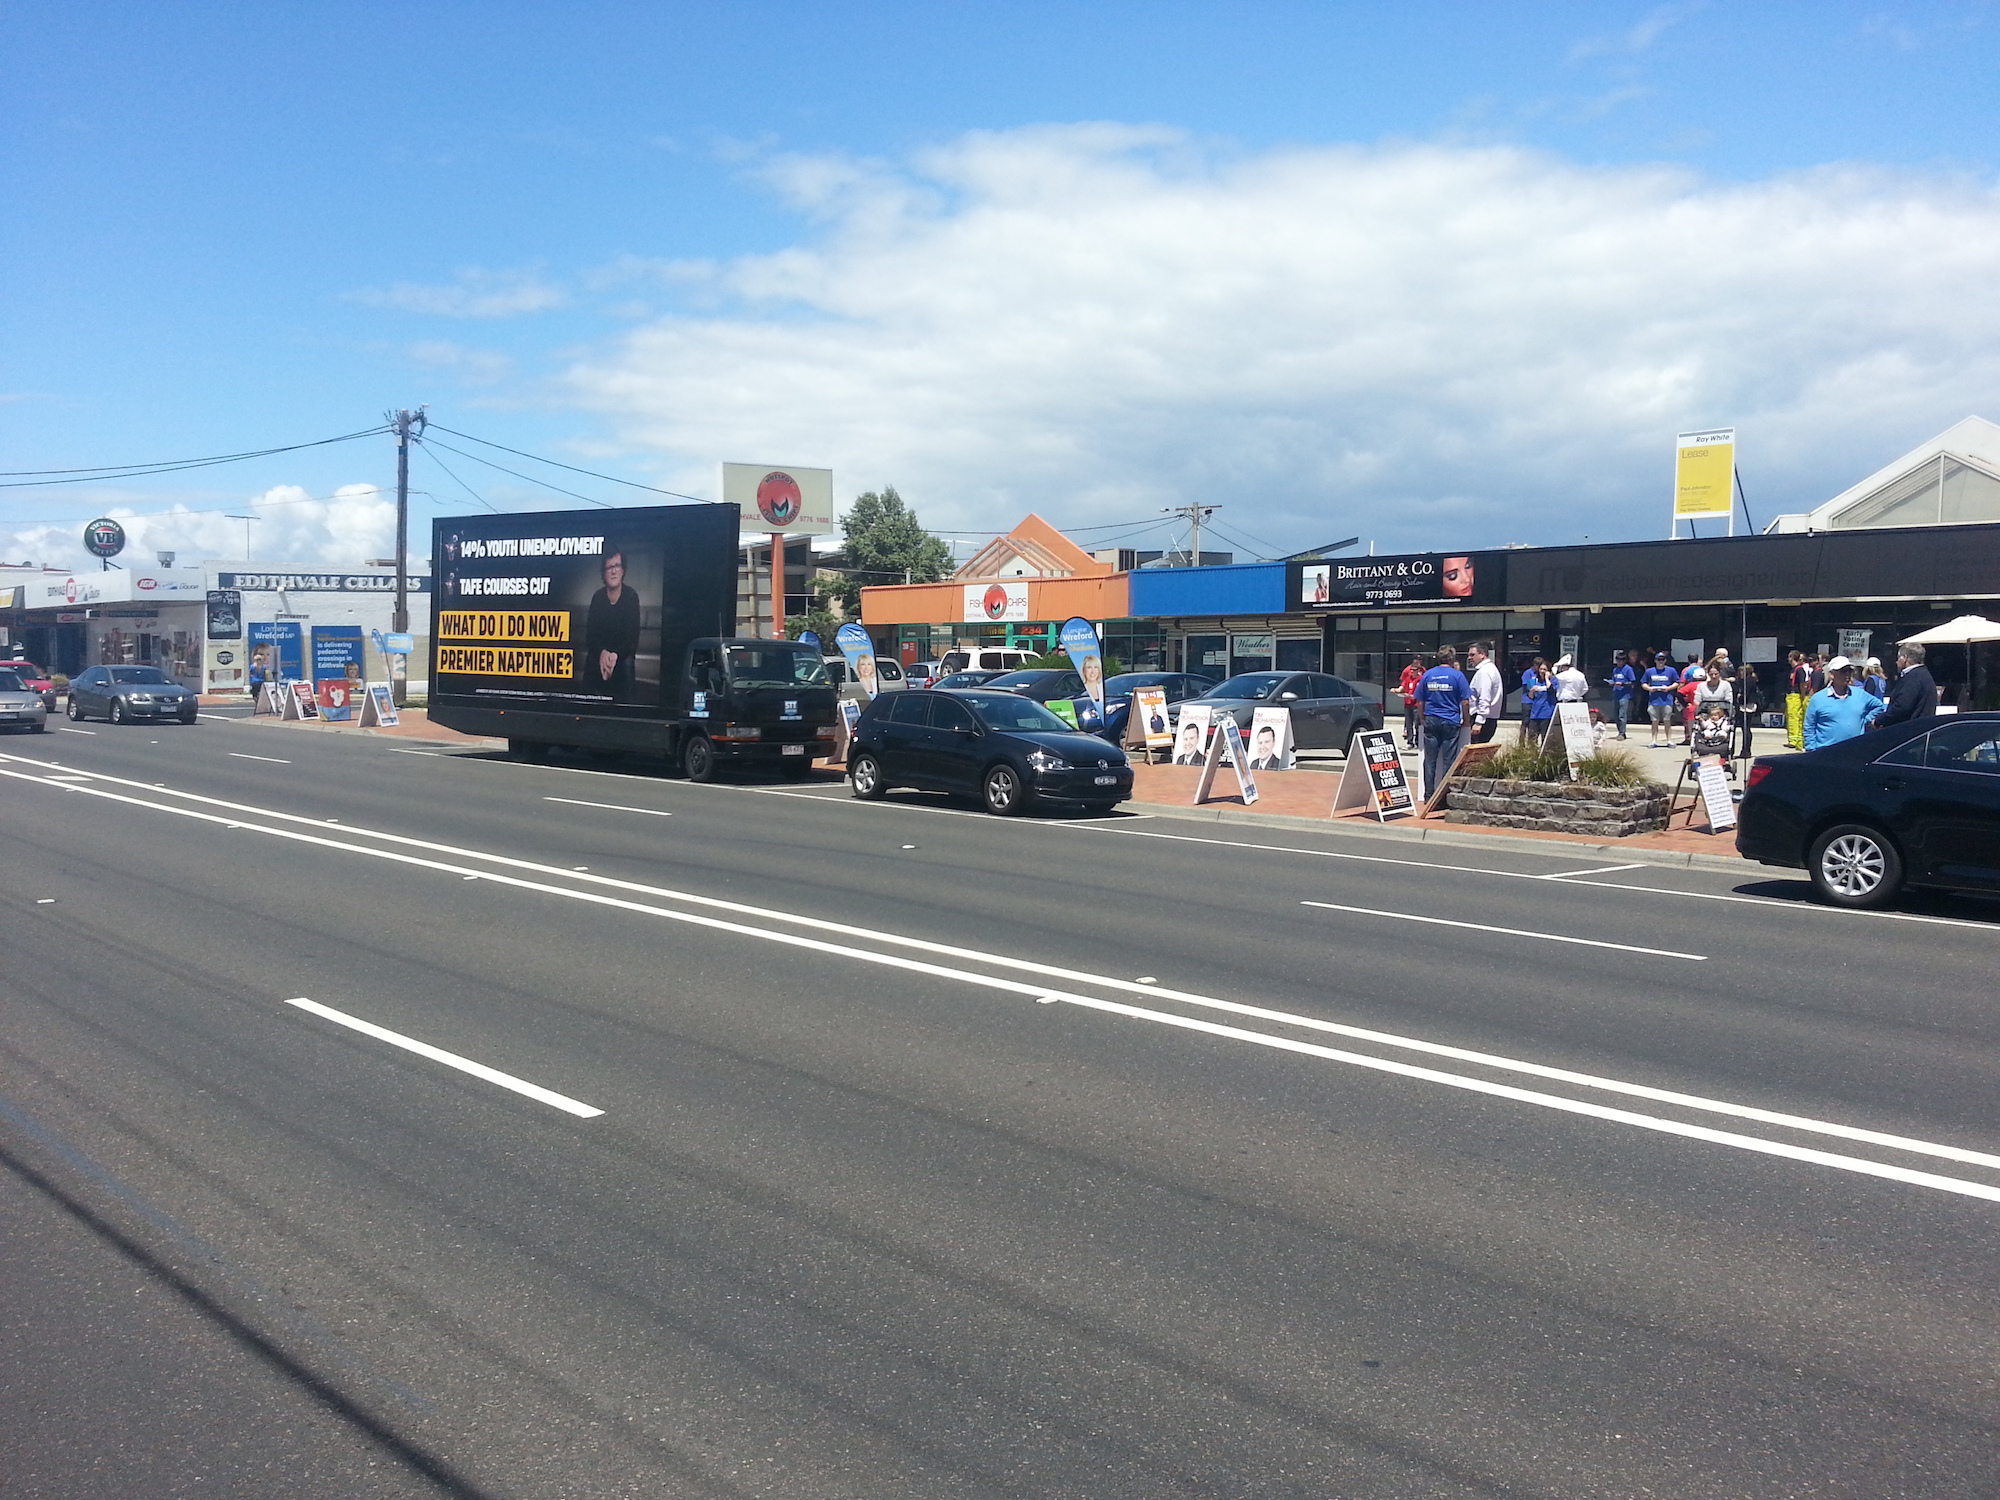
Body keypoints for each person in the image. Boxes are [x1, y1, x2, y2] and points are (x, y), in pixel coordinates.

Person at [581, 546, 641, 701]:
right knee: (591, 661)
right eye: (609, 567)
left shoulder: (631, 597)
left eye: (617, 566)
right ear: (604, 573)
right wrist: (602, 653)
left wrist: (615, 655)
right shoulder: (598, 598)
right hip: (600, 654)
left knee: (627, 664)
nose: (613, 571)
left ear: (623, 570)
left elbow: (632, 639)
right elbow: (591, 637)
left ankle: (627, 708)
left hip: (622, 655)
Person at [1414, 646, 1471, 799]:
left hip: (1431, 719)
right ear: (1452, 659)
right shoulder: (1457, 676)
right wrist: (1466, 721)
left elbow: (1419, 701)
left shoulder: (1428, 675)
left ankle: (1428, 794)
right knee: (1449, 760)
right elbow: (1465, 701)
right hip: (1450, 720)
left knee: (1430, 760)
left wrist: (1422, 719)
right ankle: (1444, 795)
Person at [1804, 656, 1886, 751]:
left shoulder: (1860, 694)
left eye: (1849, 671)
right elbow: (1809, 728)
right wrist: (1812, 751)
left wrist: (1865, 719)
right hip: (1826, 754)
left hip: (1855, 751)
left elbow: (1879, 706)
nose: (1847, 674)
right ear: (1832, 674)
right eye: (1843, 671)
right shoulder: (1817, 699)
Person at [1873, 642, 1938, 728]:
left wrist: (1879, 720)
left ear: (1905, 658)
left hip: (1908, 732)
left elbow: (1902, 707)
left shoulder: (1913, 677)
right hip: (1922, 730)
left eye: (1898, 658)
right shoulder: (1925, 675)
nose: (1896, 662)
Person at [1465, 641, 1504, 744]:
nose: (1469, 658)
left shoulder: (1484, 672)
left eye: (1472, 654)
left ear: (1482, 654)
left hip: (1482, 720)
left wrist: (1479, 722)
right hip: (1488, 719)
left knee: (1475, 755)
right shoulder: (1490, 669)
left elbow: (1484, 698)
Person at [1640, 651, 1679, 748]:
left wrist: (1668, 688)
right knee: (1654, 721)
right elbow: (1643, 683)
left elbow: (1677, 682)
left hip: (1667, 699)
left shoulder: (1671, 670)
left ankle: (1669, 740)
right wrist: (1650, 688)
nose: (1660, 661)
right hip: (1654, 700)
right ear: (1655, 661)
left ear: (1665, 660)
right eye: (1658, 659)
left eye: (1662, 659)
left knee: (1667, 720)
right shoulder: (1649, 671)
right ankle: (1653, 740)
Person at [1605, 650, 1639, 739]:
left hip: (1624, 695)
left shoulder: (1628, 669)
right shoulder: (1615, 669)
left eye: (1621, 660)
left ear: (1624, 661)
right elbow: (1614, 679)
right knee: (1615, 714)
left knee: (1622, 714)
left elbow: (1633, 682)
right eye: (1618, 660)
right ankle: (1619, 730)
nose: (1619, 662)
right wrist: (1612, 683)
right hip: (1616, 693)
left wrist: (1623, 684)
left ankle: (1622, 733)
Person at [1520, 655, 1554, 740]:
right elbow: (1527, 687)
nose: (1540, 669)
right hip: (1528, 701)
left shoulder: (1547, 677)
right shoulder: (1528, 673)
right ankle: (1521, 742)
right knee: (1525, 722)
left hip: (1541, 706)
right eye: (1538, 667)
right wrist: (1533, 689)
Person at [1784, 649, 1809, 749]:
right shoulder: (1793, 670)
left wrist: (1803, 696)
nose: (1788, 659)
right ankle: (1793, 739)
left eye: (1789, 657)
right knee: (1791, 717)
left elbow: (1802, 684)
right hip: (1790, 696)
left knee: (1795, 717)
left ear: (1792, 658)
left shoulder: (1799, 670)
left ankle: (1795, 740)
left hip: (1796, 695)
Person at [1397, 656, 1424, 748]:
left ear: (1418, 671)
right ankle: (1410, 741)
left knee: (1417, 724)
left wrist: (1415, 696)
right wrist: (1396, 690)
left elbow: (1421, 691)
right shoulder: (1407, 678)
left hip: (1416, 704)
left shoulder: (1421, 679)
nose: (1412, 671)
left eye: (1414, 670)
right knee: (1409, 723)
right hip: (1408, 704)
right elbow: (1402, 687)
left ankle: (1418, 741)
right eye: (1411, 670)